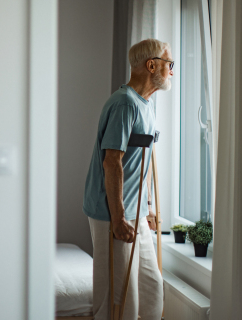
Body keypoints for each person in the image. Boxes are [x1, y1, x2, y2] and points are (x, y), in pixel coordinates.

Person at [83, 39, 173, 320]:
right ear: (152, 65)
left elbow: (140, 165)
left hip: (136, 211)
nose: (172, 71)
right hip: (113, 211)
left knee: (150, 288)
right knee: (119, 296)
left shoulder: (146, 104)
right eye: (169, 64)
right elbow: (112, 161)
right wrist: (118, 217)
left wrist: (146, 207)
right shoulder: (124, 103)